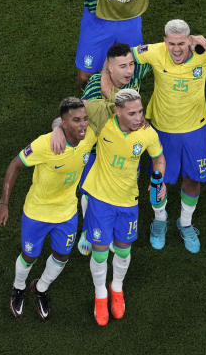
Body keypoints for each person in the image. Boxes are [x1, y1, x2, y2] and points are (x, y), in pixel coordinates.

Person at [0, 97, 104, 320]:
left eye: (84, 119)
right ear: (64, 122)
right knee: (29, 255)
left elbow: (110, 109)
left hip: (67, 211)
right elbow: (15, 164)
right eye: (76, 121)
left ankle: (40, 288)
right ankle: (19, 287)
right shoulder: (45, 144)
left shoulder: (90, 135)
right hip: (37, 212)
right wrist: (3, 203)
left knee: (62, 255)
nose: (82, 125)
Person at [133, 20, 206, 253]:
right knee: (158, 179)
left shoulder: (204, 51)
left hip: (195, 129)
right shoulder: (154, 51)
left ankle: (185, 223)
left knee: (193, 178)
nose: (176, 49)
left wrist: (202, 40)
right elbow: (125, 56)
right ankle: (160, 220)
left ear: (189, 40)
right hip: (162, 130)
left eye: (181, 43)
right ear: (165, 41)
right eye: (171, 43)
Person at [82, 89, 165, 326]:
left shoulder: (147, 134)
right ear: (117, 112)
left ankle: (116, 288)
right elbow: (76, 108)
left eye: (140, 111)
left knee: (123, 249)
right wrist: (59, 128)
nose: (139, 117)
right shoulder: (104, 124)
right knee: (99, 251)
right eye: (132, 113)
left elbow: (159, 158)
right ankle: (100, 295)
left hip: (129, 202)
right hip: (100, 199)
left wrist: (158, 178)